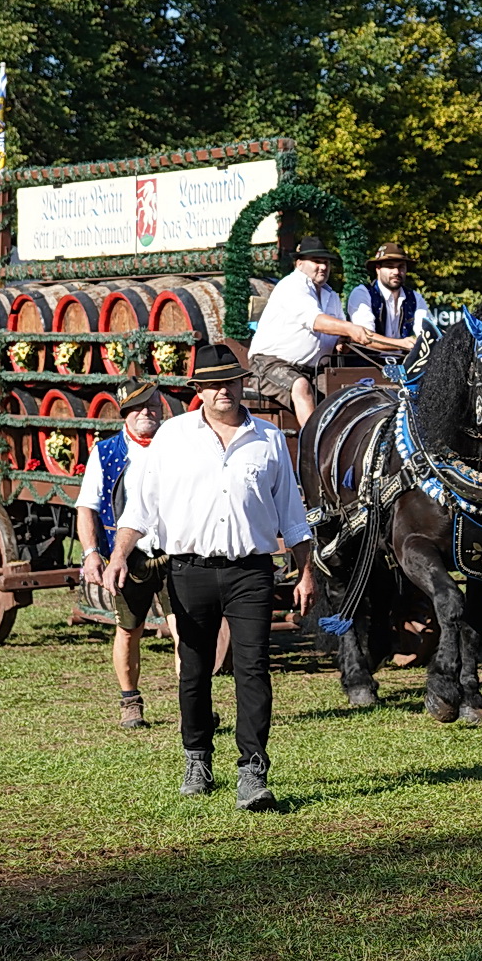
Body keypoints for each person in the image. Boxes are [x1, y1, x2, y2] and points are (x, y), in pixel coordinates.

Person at [106, 343, 316, 810]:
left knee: (253, 669)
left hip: (251, 572)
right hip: (188, 570)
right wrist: (119, 555)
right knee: (195, 669)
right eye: (212, 383)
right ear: (196, 390)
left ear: (244, 384)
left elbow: (293, 515)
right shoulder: (172, 437)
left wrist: (306, 572)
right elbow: (140, 508)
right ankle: (197, 758)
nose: (223, 390)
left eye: (231, 380)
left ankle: (253, 771)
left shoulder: (269, 439)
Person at [77, 382, 168, 729]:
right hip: (127, 556)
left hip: (172, 550)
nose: (147, 412)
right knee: (129, 629)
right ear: (125, 413)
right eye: (138, 407)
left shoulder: (175, 447)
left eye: (153, 405)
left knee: (184, 630)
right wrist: (91, 554)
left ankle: (189, 702)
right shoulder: (106, 452)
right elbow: (86, 507)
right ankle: (130, 702)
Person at [247, 236, 409, 425]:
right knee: (300, 386)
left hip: (315, 369)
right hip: (270, 364)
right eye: (316, 262)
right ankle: (314, 447)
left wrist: (342, 343)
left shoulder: (330, 295)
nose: (323, 267)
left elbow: (341, 334)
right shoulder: (291, 286)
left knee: (348, 390)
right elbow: (317, 321)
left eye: (326, 262)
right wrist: (350, 328)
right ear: (299, 264)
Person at [344, 241, 425, 351]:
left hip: (403, 364)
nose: (396, 272)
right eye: (390, 267)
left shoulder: (415, 297)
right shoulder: (363, 293)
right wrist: (402, 344)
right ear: (378, 269)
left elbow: (426, 332)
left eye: (401, 267)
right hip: (368, 364)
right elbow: (365, 337)